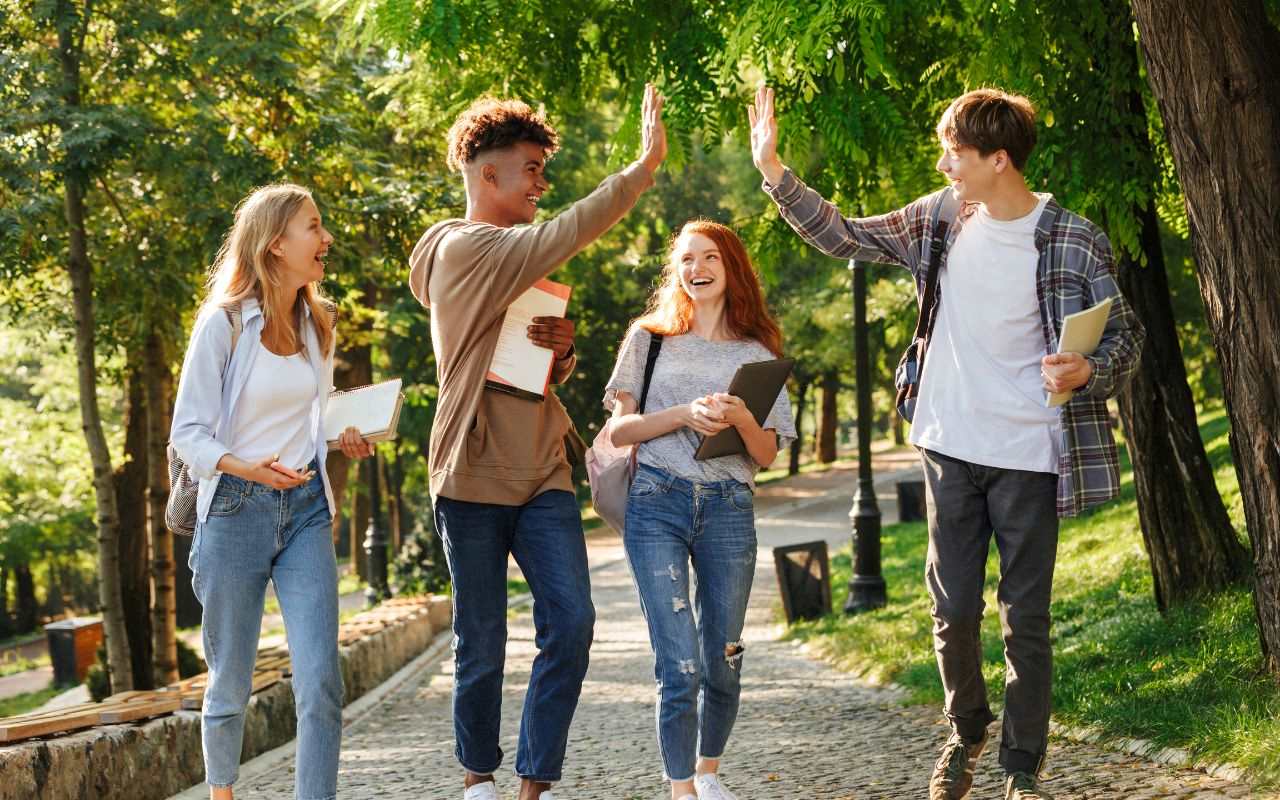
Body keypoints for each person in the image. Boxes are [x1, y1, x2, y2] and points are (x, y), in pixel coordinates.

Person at [748, 86, 1143, 800]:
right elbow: (846, 236)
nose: (944, 166)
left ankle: (1022, 769)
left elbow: (1125, 336)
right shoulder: (941, 218)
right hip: (949, 444)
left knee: (1025, 619)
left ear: (999, 159)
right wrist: (775, 172)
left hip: (1029, 454)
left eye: (955, 154)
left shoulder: (1073, 238)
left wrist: (1089, 369)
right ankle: (966, 730)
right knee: (953, 608)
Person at [406, 85, 668, 800]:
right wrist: (640, 170)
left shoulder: (511, 260)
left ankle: (534, 780)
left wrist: (563, 351)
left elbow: (526, 365)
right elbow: (567, 231)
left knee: (573, 622)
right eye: (530, 169)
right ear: (487, 174)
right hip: (472, 473)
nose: (541, 185)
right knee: (482, 640)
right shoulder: (466, 248)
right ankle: (478, 777)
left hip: (543, 469)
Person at [170, 184, 375, 800]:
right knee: (231, 682)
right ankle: (222, 792)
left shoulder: (318, 323)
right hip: (235, 510)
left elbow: (310, 417)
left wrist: (345, 435)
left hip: (306, 509)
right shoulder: (224, 322)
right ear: (276, 244)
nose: (327, 239)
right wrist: (246, 468)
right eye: (314, 226)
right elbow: (188, 433)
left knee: (321, 681)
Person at [603, 219, 797, 800]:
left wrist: (741, 418)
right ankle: (680, 787)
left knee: (723, 657)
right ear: (676, 271)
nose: (697, 268)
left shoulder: (758, 354)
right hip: (656, 500)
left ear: (731, 268)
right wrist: (685, 414)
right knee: (679, 660)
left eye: (710, 257)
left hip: (729, 507)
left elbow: (766, 454)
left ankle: (708, 772)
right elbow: (620, 432)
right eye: (687, 259)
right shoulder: (649, 338)